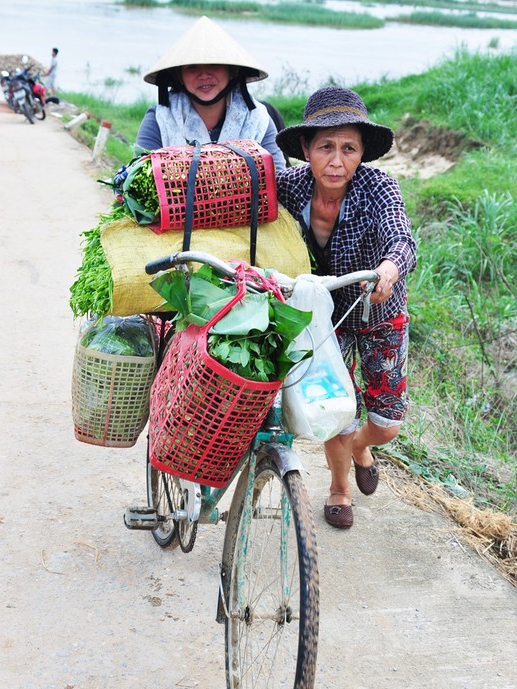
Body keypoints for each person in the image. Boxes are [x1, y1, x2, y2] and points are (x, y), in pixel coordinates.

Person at [276, 86, 417, 529]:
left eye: (348, 148)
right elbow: (248, 195)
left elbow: (401, 235)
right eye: (325, 147)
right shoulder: (290, 187)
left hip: (378, 309)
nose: (337, 161)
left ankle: (361, 447)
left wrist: (390, 268)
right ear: (305, 148)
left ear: (361, 153)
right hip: (325, 315)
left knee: (387, 422)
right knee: (335, 406)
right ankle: (339, 490)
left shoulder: (377, 188)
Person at [136, 16, 286, 172]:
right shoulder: (160, 119)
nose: (204, 75)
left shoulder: (256, 119)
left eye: (214, 65)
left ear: (232, 72)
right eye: (192, 67)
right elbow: (138, 178)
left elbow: (278, 177)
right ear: (179, 76)